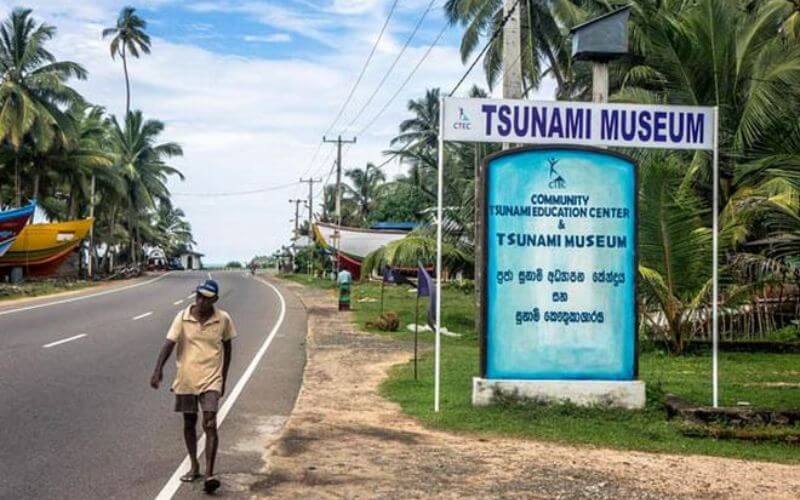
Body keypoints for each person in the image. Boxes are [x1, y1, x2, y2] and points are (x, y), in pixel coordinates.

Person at [150, 279, 236, 494]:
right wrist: (158, 369)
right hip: (186, 378)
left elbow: (228, 348)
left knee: (210, 422)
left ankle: (210, 474)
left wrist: (223, 379)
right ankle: (194, 466)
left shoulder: (223, 319)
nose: (200, 301)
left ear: (214, 299)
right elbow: (168, 344)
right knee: (189, 423)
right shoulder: (182, 317)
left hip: (211, 379)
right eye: (198, 296)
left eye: (206, 298)